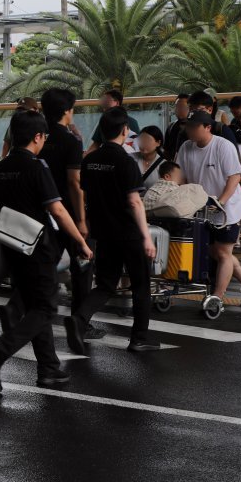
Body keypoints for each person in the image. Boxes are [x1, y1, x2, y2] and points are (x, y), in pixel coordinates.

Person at [0, 110, 92, 392]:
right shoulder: (36, 167)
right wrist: (80, 240)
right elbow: (57, 209)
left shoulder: (0, 168)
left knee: (34, 306)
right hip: (38, 246)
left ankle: (49, 369)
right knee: (44, 307)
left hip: (12, 245)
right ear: (38, 137)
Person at [70, 108, 159, 354]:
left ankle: (79, 319)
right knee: (141, 284)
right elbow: (134, 202)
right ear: (125, 131)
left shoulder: (89, 160)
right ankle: (140, 337)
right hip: (128, 232)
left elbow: (85, 193)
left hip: (103, 231)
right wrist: (146, 237)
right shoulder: (125, 161)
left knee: (106, 284)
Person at [175, 110, 241, 309]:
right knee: (215, 252)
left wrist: (220, 202)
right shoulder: (186, 147)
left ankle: (217, 296)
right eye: (187, 127)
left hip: (227, 210)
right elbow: (180, 176)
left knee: (222, 253)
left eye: (193, 127)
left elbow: (234, 177)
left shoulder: (223, 146)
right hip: (200, 207)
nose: (189, 130)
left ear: (207, 127)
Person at [38, 88, 93, 327]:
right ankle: (80, 320)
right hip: (66, 210)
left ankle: (34, 311)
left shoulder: (38, 137)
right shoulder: (70, 141)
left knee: (45, 261)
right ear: (66, 112)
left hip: (41, 209)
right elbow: (74, 182)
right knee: (82, 262)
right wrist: (81, 220)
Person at [162, 94, 190, 159]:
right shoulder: (171, 127)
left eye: (182, 106)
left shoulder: (196, 128)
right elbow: (166, 151)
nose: (178, 109)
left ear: (190, 108)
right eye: (177, 106)